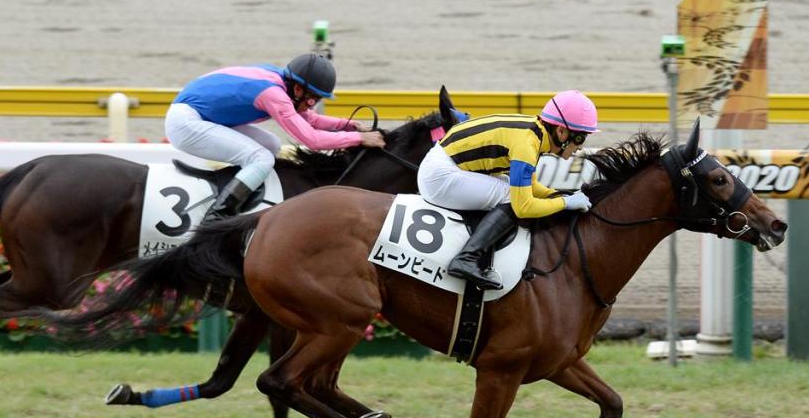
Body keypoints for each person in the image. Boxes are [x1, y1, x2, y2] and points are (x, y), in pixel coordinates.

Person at [165, 53, 386, 221]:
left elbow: (310, 119)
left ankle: (236, 190)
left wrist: (349, 125)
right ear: (298, 89)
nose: (313, 104)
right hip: (185, 123)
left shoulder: (283, 82)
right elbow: (312, 140)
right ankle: (217, 217)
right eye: (313, 98)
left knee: (271, 145)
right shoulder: (273, 94)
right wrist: (359, 138)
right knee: (261, 158)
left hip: (203, 117)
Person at [417, 89, 597, 290]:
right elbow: (523, 206)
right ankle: (466, 258)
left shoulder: (534, 133)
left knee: (510, 189)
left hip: (445, 165)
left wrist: (559, 195)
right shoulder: (526, 145)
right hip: (440, 176)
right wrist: (564, 203)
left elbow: (531, 187)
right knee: (510, 196)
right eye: (580, 137)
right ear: (561, 131)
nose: (580, 147)